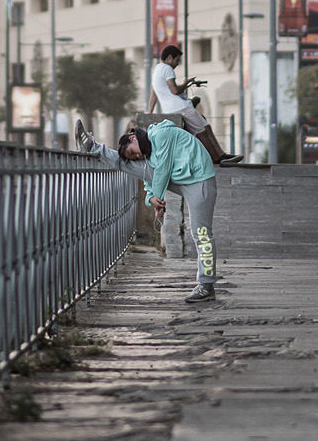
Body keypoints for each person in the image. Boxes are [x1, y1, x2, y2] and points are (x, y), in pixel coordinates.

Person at [78, 117, 220, 302]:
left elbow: (162, 169)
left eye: (133, 152)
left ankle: (206, 286)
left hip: (200, 181)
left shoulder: (161, 134)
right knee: (125, 165)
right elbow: (148, 172)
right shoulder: (148, 152)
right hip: (181, 178)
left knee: (201, 233)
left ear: (132, 138)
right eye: (135, 157)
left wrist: (157, 197)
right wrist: (150, 197)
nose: (137, 156)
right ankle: (92, 146)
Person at [148, 44, 240, 163]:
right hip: (181, 108)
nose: (177, 64)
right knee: (202, 132)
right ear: (169, 57)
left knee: (206, 127)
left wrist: (149, 112)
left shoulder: (156, 70)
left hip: (173, 109)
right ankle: (216, 158)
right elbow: (175, 90)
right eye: (176, 60)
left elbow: (153, 95)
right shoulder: (167, 68)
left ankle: (221, 155)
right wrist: (186, 83)